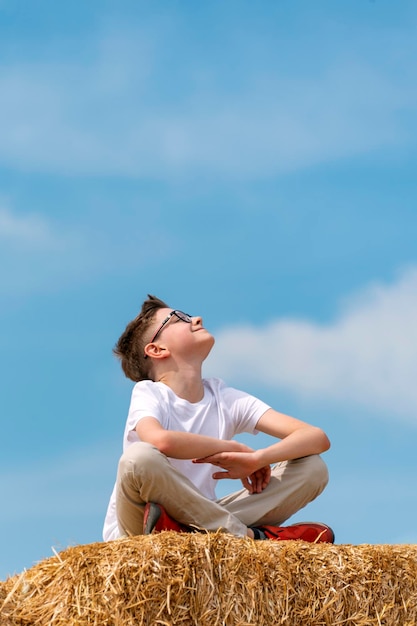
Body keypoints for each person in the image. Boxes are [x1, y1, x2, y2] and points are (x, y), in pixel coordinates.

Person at [103, 295, 334, 543]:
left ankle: (191, 534)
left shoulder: (224, 398)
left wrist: (257, 458)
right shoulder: (149, 392)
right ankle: (249, 537)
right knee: (139, 458)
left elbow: (316, 437)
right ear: (156, 349)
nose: (196, 319)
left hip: (201, 520)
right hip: (138, 527)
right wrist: (232, 447)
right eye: (178, 318)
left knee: (312, 468)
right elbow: (160, 441)